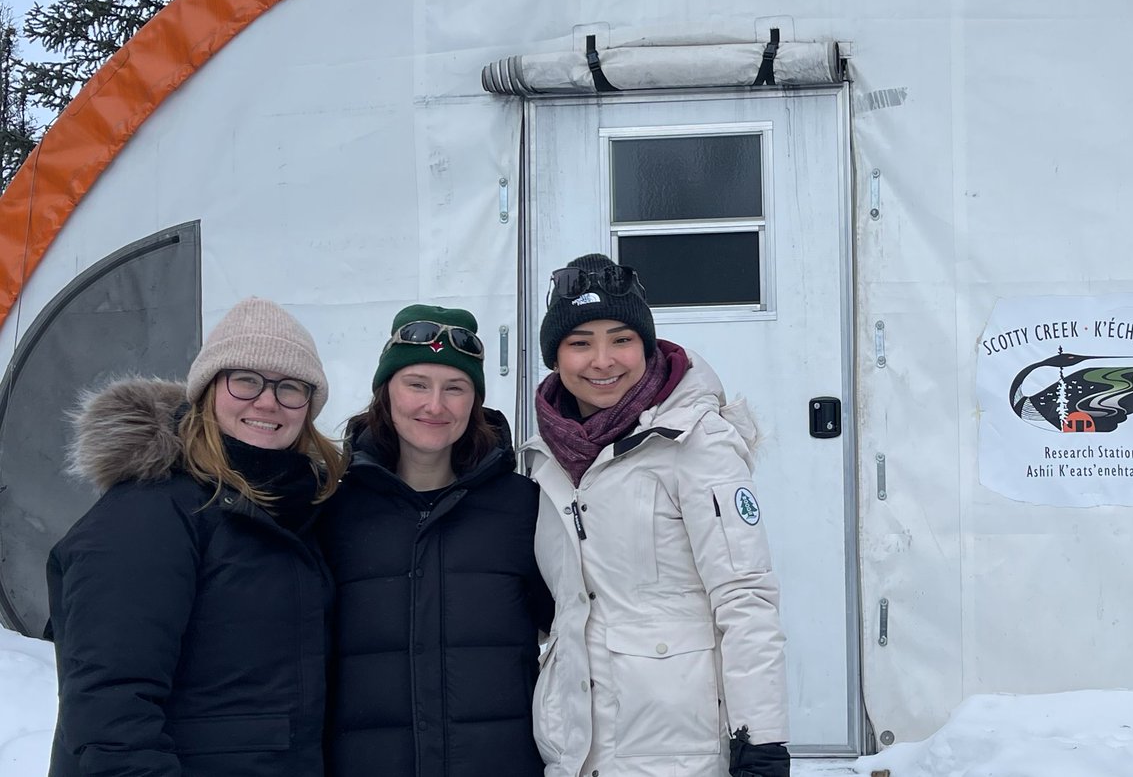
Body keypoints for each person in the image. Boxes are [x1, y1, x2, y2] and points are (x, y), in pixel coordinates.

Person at [46, 296, 345, 777]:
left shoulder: (293, 512)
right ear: (208, 389)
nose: (267, 401)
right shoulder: (150, 512)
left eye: (290, 387)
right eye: (245, 379)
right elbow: (110, 710)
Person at [526, 253, 791, 777]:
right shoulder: (542, 458)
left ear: (645, 346)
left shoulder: (696, 442)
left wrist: (761, 744)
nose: (603, 360)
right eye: (580, 343)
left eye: (621, 338)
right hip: (577, 752)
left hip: (676, 751)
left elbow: (745, 597)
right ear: (555, 357)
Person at [321, 304, 551, 777]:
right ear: (385, 393)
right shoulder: (333, 512)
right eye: (417, 384)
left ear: (475, 401)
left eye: (455, 388)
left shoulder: (523, 507)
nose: (435, 406)